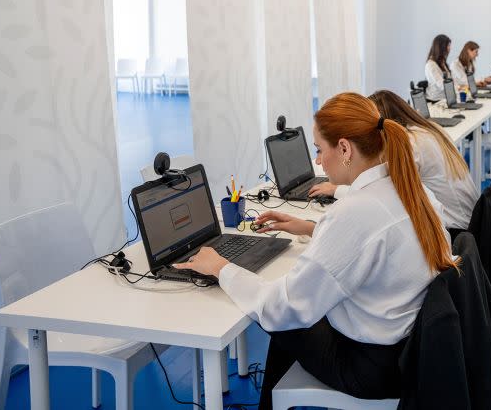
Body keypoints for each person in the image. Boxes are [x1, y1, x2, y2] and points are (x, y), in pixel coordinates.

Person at [174, 92, 457, 410]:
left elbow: (284, 307)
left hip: (371, 369)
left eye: (320, 150)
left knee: (280, 319)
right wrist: (311, 228)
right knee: (296, 314)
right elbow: (371, 241)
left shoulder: (355, 213)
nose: (319, 162)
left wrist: (221, 268)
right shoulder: (411, 189)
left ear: (345, 149)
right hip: (408, 352)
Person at [310, 90, 479, 229]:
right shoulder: (428, 129)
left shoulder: (412, 145)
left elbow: (385, 191)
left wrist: (335, 189)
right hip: (469, 217)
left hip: (457, 227)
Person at [424, 34, 452, 101]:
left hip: (445, 99)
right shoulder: (431, 65)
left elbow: (449, 81)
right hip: (436, 101)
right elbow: (442, 85)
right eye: (448, 45)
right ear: (441, 47)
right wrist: (459, 88)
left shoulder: (441, 62)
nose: (450, 48)